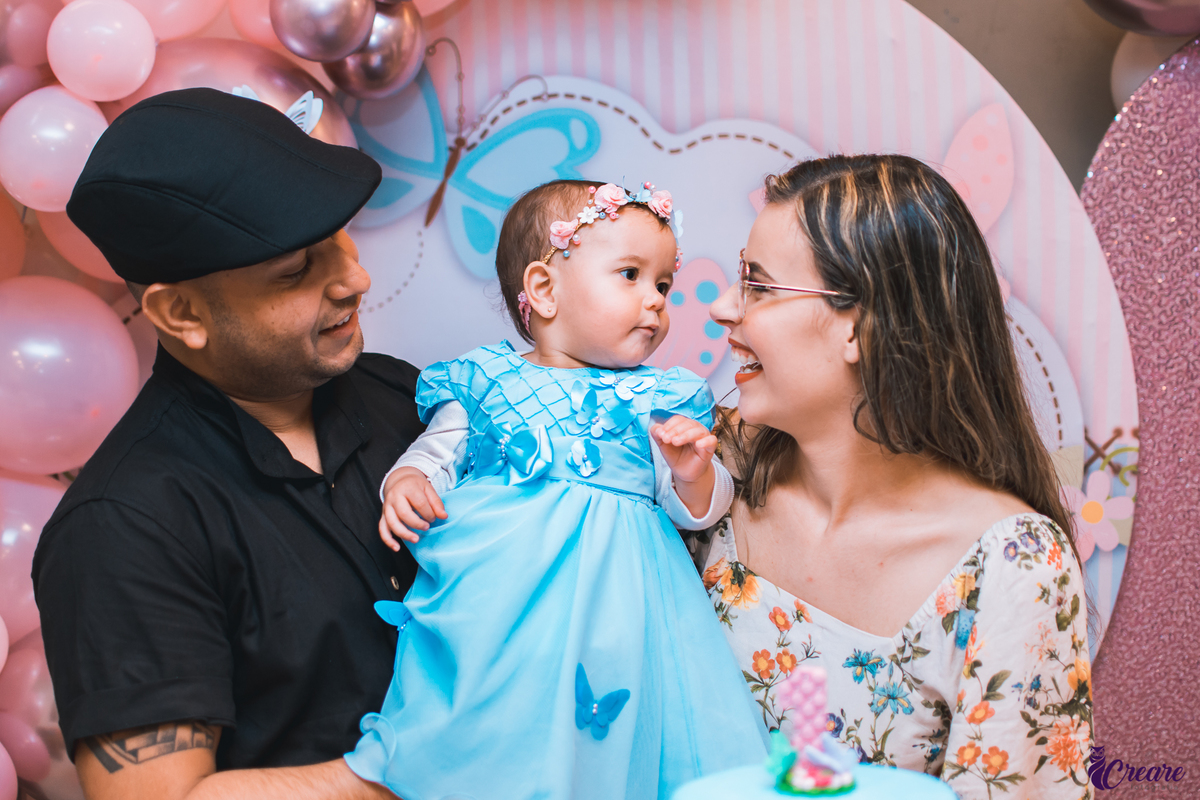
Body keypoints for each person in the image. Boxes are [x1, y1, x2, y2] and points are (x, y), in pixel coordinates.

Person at [32, 88, 423, 800]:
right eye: (297, 270)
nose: (355, 280)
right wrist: (426, 763)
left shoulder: (400, 395)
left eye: (341, 236)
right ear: (182, 313)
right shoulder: (123, 525)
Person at [342, 180, 766, 799]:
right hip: (499, 602)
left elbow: (696, 514)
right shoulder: (485, 380)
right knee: (499, 718)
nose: (655, 302)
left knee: (609, 735)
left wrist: (692, 472)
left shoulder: (661, 397)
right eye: (630, 275)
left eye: (664, 285)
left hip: (617, 608)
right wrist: (407, 480)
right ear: (543, 290)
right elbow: (437, 453)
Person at [701, 155, 1094, 799]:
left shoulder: (1013, 566)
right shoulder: (706, 476)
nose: (723, 308)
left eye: (759, 286)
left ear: (858, 324)